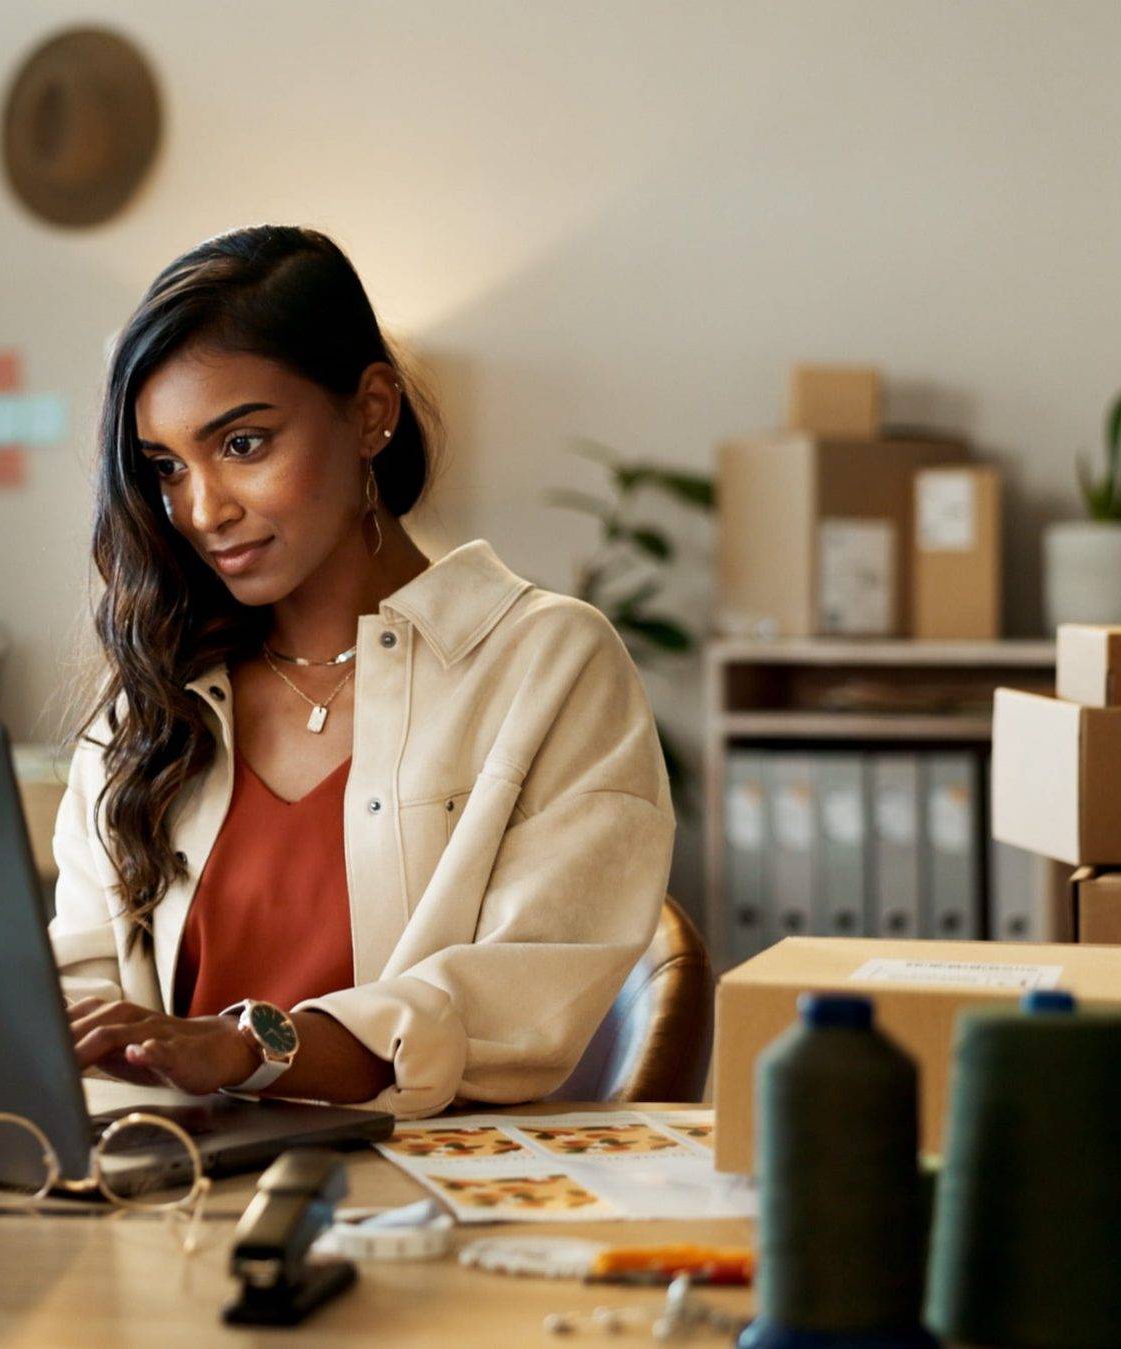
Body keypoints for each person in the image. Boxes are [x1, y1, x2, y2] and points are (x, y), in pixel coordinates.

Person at [50, 226, 673, 1118]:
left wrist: (248, 1049)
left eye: (243, 444)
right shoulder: (151, 698)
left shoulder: (550, 664)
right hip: (171, 1202)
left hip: (422, 1207)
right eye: (165, 468)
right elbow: (82, 994)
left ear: (371, 411)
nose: (202, 509)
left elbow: (519, 998)